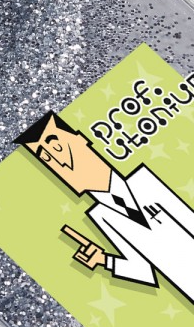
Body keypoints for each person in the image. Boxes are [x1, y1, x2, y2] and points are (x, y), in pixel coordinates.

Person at [14, 111, 194, 303]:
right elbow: (144, 271)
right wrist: (103, 259)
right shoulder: (101, 215)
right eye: (47, 158)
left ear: (80, 140)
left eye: (58, 147)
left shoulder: (145, 182)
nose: (61, 162)